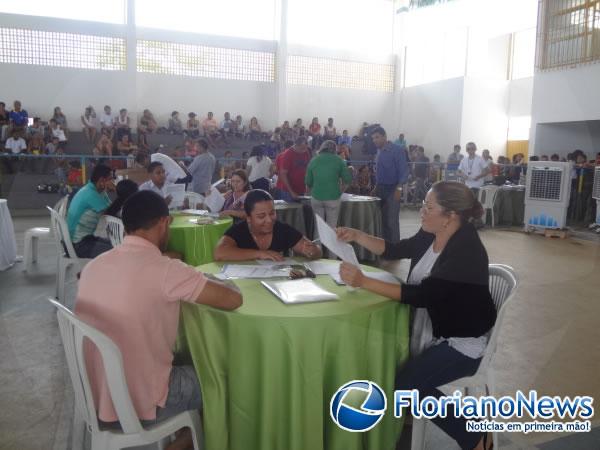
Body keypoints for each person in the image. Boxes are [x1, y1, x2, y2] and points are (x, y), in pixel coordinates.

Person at [75, 190, 242, 450]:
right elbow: (233, 300)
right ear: (165, 222)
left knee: (182, 358)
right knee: (230, 377)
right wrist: (223, 279)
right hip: (141, 399)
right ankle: (185, 441)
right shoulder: (166, 271)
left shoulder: (94, 266)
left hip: (94, 391)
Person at [337, 181, 496, 450]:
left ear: (450, 216)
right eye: (423, 204)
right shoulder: (432, 233)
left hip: (462, 342)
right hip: (434, 328)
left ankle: (476, 437)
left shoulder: (465, 249)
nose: (422, 211)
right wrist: (357, 235)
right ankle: (403, 419)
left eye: (428, 207)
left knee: (406, 386)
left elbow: (423, 296)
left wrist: (363, 281)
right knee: (384, 358)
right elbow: (395, 249)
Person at [214, 189, 321, 261]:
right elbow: (219, 253)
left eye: (272, 213)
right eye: (261, 216)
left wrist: (313, 251)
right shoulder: (238, 230)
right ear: (249, 218)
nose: (269, 220)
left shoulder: (282, 230)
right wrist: (259, 253)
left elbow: (314, 250)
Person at [66, 164, 115, 258]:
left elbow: (112, 207)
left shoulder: (99, 190)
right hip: (77, 245)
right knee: (116, 251)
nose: (112, 181)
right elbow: (111, 212)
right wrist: (118, 190)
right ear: (101, 180)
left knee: (117, 245)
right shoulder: (90, 194)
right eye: (110, 179)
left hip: (86, 239)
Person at [372, 126, 409, 242]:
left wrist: (399, 189)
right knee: (381, 220)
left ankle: (395, 249)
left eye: (377, 137)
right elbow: (379, 172)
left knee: (391, 221)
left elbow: (404, 171)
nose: (375, 140)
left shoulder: (397, 150)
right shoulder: (379, 152)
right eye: (373, 138)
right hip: (380, 189)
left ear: (385, 136)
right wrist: (376, 187)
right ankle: (385, 247)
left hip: (393, 189)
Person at [305, 140, 352, 229]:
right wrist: (340, 191)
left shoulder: (314, 160)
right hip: (333, 198)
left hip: (316, 197)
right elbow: (347, 180)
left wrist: (309, 194)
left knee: (319, 227)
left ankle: (317, 243)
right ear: (335, 149)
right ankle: (330, 243)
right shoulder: (339, 160)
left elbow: (308, 182)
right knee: (331, 228)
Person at [275, 136, 311, 201]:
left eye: (306, 148)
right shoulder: (288, 154)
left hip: (301, 189)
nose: (304, 150)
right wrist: (291, 191)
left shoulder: (306, 152)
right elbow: (283, 174)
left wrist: (307, 187)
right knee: (288, 209)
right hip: (288, 191)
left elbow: (308, 170)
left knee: (298, 208)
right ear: (296, 145)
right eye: (302, 148)